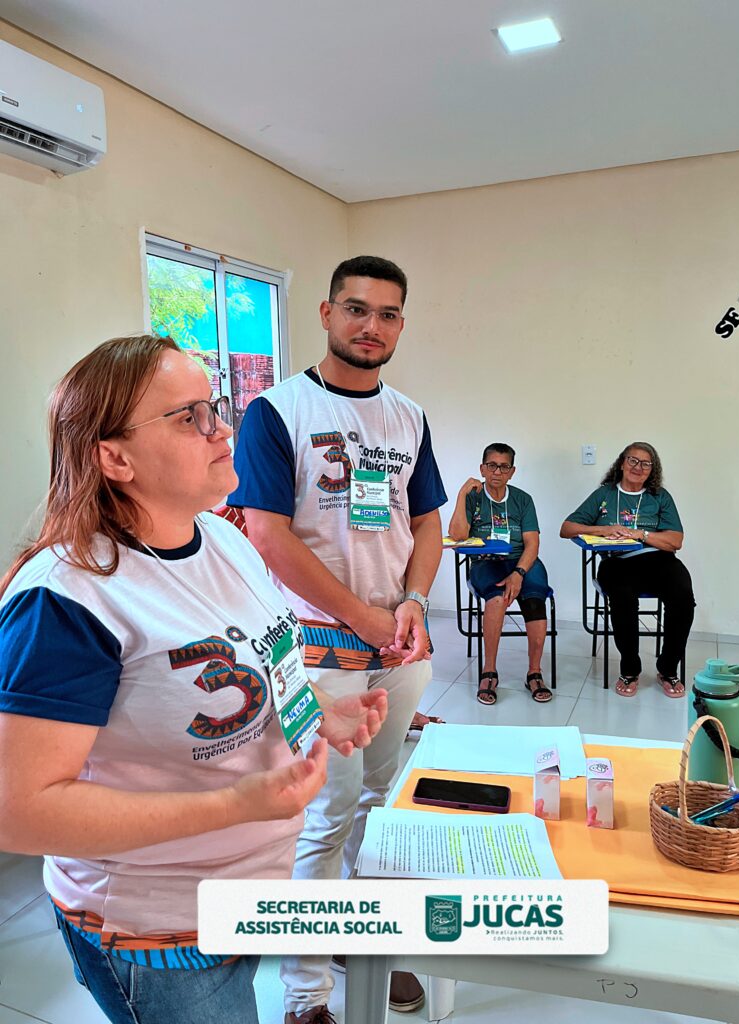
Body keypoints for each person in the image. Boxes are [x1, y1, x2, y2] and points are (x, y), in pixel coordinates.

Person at [0, 335, 388, 1024]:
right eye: (190, 417)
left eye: (215, 407)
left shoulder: (224, 540)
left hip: (249, 888)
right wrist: (235, 804)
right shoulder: (66, 601)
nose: (223, 430)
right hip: (156, 930)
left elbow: (256, 663)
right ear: (115, 458)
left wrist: (321, 707)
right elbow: (18, 811)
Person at [229, 255, 447, 1023]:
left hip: (398, 648)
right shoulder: (276, 411)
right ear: (326, 314)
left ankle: (361, 937)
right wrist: (365, 617)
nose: (371, 326)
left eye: (387, 314)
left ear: (401, 325)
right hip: (317, 651)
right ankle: (305, 995)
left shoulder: (409, 416)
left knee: (382, 805)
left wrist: (414, 602)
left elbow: (427, 521)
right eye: (356, 309)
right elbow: (266, 534)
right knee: (325, 815)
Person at [560, 441, 694, 697]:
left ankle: (668, 668)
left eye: (646, 464)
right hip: (616, 562)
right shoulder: (604, 494)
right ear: (622, 463)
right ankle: (630, 668)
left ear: (652, 470)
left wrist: (640, 534)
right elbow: (567, 528)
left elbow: (675, 540)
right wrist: (604, 529)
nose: (638, 467)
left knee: (682, 596)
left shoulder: (660, 496)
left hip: (657, 560)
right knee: (622, 596)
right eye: (633, 460)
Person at [448, 443, 552, 704]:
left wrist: (518, 573)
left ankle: (534, 672)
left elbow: (532, 544)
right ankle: (489, 672)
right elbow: (458, 535)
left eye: (504, 467)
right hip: (485, 561)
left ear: (512, 472)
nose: (497, 472)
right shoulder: (473, 497)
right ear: (482, 468)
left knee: (535, 599)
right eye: (492, 465)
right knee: (496, 599)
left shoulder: (523, 500)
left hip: (521, 560)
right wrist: (461, 494)